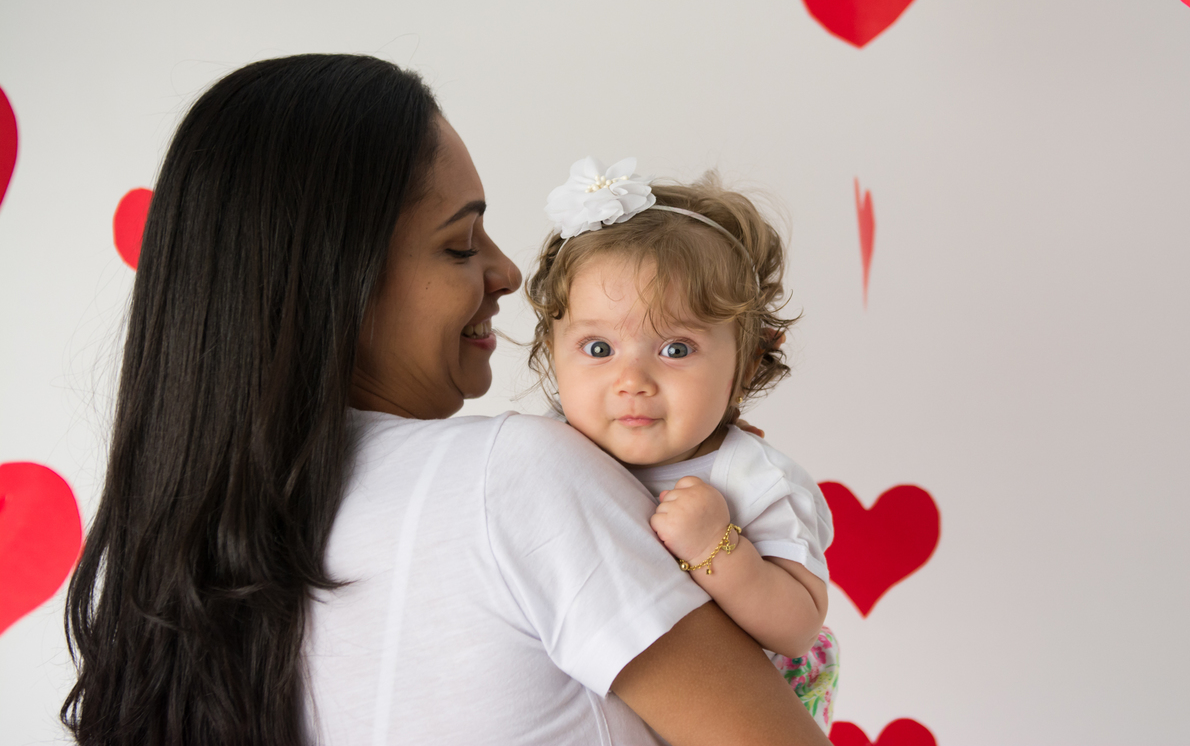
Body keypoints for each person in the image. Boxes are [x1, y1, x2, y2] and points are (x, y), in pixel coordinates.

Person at [61, 54, 831, 745]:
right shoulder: (512, 476)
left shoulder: (181, 559)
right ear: (335, 278)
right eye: (461, 245)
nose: (506, 275)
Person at [526, 158, 839, 729]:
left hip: (737, 715)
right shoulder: (547, 448)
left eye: (675, 349)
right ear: (553, 351)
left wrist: (717, 547)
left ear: (745, 364)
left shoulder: (754, 479)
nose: (632, 381)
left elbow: (798, 627)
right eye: (598, 349)